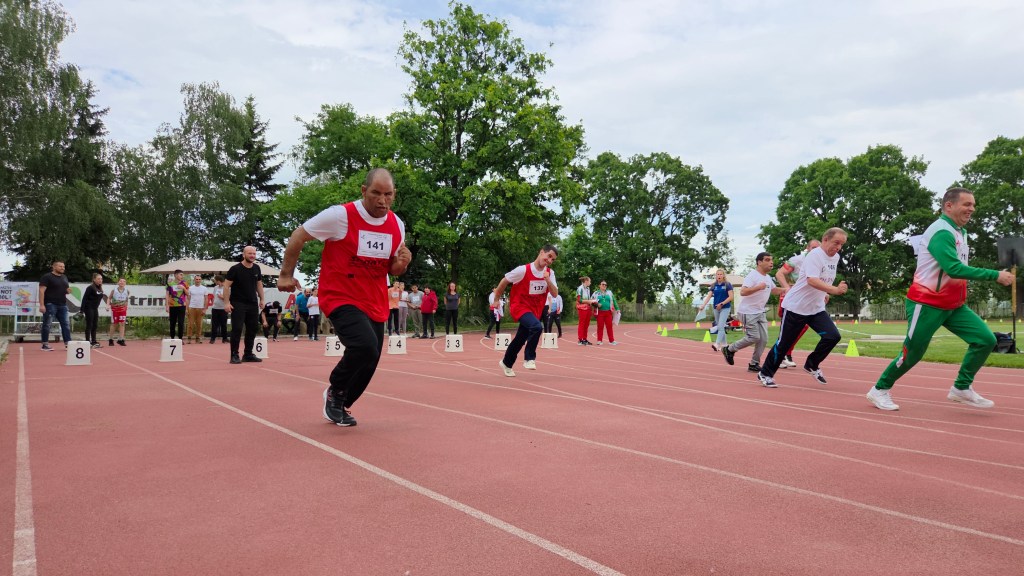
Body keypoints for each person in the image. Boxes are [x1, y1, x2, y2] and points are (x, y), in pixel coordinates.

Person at [278, 168, 411, 427]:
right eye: (376, 193)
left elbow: (391, 268)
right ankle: (336, 390)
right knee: (364, 346)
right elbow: (298, 235)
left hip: (374, 299)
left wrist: (402, 264)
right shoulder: (340, 216)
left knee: (371, 358)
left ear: (394, 194)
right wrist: (285, 274)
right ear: (364, 191)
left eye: (388, 194)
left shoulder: (397, 225)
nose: (382, 200)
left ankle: (341, 402)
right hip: (340, 295)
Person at [867, 188, 1015, 411]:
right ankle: (879, 389)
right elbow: (953, 269)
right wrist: (995, 275)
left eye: (973, 205)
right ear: (949, 205)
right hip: (927, 304)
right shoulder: (942, 231)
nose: (972, 209)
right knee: (913, 353)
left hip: (953, 305)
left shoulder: (960, 232)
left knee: (985, 339)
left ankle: (961, 388)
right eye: (967, 204)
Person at [757, 228, 849, 388]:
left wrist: (825, 292)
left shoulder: (835, 258)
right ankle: (765, 373)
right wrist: (834, 290)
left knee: (833, 336)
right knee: (784, 344)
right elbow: (812, 280)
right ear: (825, 240)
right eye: (836, 243)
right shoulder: (814, 256)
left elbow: (824, 279)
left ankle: (812, 364)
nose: (839, 247)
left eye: (842, 244)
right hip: (796, 307)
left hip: (816, 308)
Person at [494, 245, 559, 376]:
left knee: (520, 338)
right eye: (549, 256)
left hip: (535, 310)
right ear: (541, 252)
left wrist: (547, 279)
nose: (550, 260)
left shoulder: (550, 273)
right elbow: (504, 281)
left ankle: (506, 363)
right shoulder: (522, 270)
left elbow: (555, 293)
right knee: (537, 327)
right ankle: (529, 358)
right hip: (519, 306)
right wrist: (496, 299)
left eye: (553, 259)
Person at [723, 252, 784, 372]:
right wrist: (758, 287)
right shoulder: (752, 275)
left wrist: (787, 289)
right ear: (759, 262)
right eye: (767, 260)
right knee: (754, 337)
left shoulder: (767, 277)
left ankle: (754, 364)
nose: (771, 262)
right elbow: (743, 292)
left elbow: (774, 290)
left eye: (771, 260)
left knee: (763, 339)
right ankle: (729, 349)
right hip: (748, 312)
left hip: (760, 312)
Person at [775, 239, 822, 368]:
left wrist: (824, 293)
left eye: (818, 248)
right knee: (789, 328)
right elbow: (779, 273)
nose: (816, 250)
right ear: (807, 248)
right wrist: (787, 288)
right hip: (794, 299)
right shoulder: (797, 260)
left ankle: (786, 353)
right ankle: (780, 356)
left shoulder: (820, 261)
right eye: (813, 247)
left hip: (808, 300)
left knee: (803, 326)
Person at [224, 246, 266, 364]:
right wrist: (226, 303)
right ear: (244, 255)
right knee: (237, 329)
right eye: (249, 253)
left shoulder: (257, 268)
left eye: (254, 253)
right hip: (238, 303)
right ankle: (234, 355)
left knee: (252, 329)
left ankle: (248, 354)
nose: (252, 255)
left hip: (253, 303)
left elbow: (259, 284)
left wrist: (262, 299)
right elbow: (226, 286)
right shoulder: (235, 269)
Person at [698, 269, 734, 352]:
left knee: (721, 326)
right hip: (716, 308)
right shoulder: (714, 285)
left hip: (725, 308)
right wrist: (703, 305)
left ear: (723, 275)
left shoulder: (727, 284)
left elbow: (731, 297)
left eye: (721, 274)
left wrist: (722, 304)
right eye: (718, 274)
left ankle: (717, 344)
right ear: (716, 275)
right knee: (720, 326)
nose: (719, 276)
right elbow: (709, 296)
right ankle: (725, 345)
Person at [81, 273, 108, 348]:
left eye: (101, 279)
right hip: (88, 308)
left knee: (95, 325)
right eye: (98, 279)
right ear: (94, 279)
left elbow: (104, 298)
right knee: (89, 324)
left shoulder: (100, 288)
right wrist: (81, 310)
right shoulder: (90, 288)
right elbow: (84, 298)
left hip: (95, 308)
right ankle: (87, 342)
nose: (100, 280)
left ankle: (94, 341)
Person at [165, 269, 189, 340]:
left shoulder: (185, 283)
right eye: (180, 274)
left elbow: (188, 294)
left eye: (182, 275)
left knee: (181, 323)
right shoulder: (170, 284)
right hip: (172, 306)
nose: (182, 276)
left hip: (182, 306)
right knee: (172, 323)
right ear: (175, 275)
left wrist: (183, 288)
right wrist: (167, 306)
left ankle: (180, 339)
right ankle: (172, 338)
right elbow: (167, 295)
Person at [593, 280, 619, 345]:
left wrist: (617, 308)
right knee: (600, 326)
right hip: (600, 312)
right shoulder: (596, 293)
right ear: (599, 285)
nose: (604, 286)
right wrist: (597, 304)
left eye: (605, 285)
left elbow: (614, 300)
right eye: (603, 284)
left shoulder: (609, 292)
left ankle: (611, 340)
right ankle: (599, 340)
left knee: (609, 326)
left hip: (608, 312)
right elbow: (592, 301)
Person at [185, 275, 208, 344]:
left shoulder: (204, 288)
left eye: (199, 279)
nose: (198, 280)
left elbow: (206, 299)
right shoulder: (190, 288)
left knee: (199, 324)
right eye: (196, 279)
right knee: (190, 324)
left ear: (201, 280)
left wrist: (204, 309)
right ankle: (189, 338)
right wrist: (186, 309)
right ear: (194, 280)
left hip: (200, 308)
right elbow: (188, 299)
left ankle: (198, 338)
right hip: (191, 307)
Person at [107, 277, 129, 346]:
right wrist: (108, 305)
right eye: (120, 281)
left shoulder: (127, 291)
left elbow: (126, 300)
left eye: (124, 281)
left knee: (122, 324)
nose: (122, 282)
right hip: (115, 310)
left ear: (125, 283)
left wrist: (126, 306)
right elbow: (109, 298)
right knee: (114, 324)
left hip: (123, 310)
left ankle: (120, 339)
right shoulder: (114, 290)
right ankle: (111, 339)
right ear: (118, 282)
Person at [575, 276, 597, 345]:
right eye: (590, 281)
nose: (590, 283)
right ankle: (580, 339)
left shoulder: (588, 289)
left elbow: (588, 298)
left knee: (587, 324)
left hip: (588, 308)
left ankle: (584, 339)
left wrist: (592, 301)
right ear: (586, 281)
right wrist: (588, 301)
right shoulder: (580, 288)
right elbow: (579, 300)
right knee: (582, 323)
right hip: (582, 308)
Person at [209, 275, 229, 344]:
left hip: (223, 308)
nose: (215, 282)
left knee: (224, 324)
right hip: (215, 308)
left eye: (216, 281)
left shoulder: (226, 287)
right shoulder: (215, 287)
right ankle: (212, 338)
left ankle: (225, 338)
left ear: (219, 281)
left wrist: (222, 297)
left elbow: (228, 298)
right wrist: (213, 302)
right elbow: (214, 296)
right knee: (214, 324)